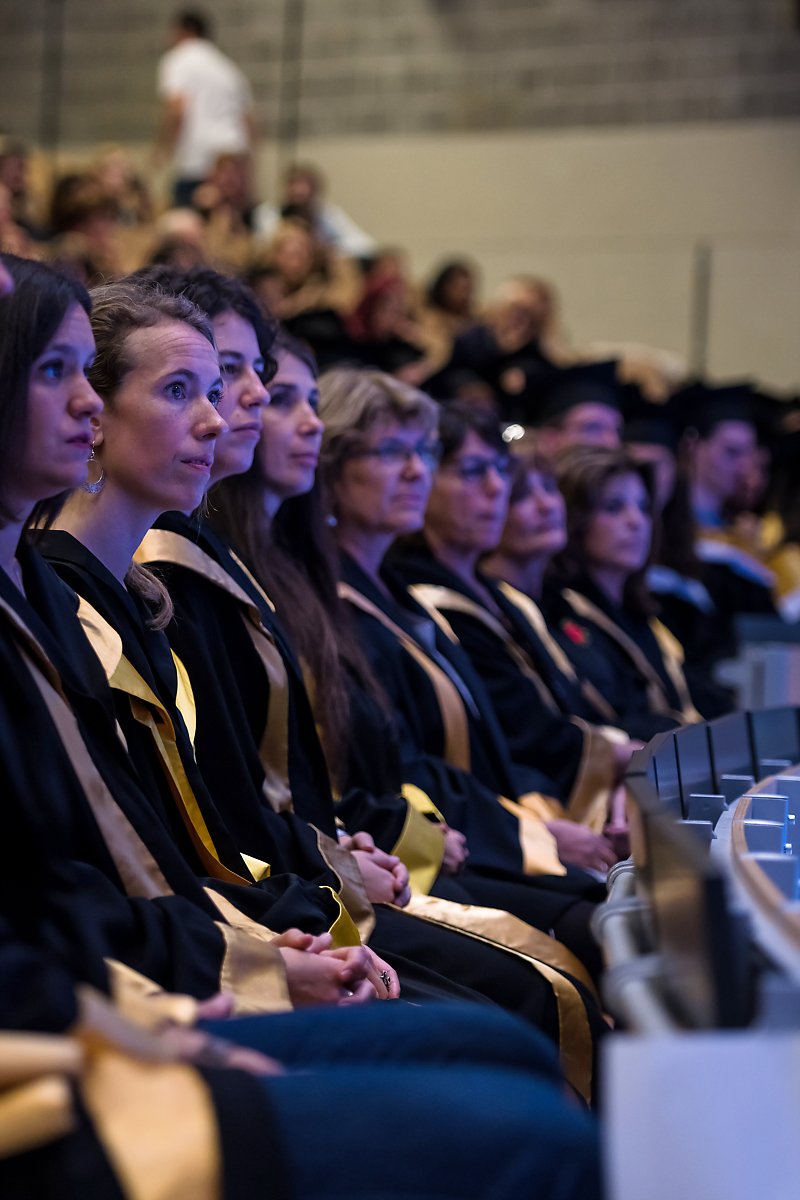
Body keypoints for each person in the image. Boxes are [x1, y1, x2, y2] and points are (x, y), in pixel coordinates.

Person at [390, 404, 632, 863]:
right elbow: (515, 738)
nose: (497, 487)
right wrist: (534, 829)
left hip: (521, 809)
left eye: (501, 471)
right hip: (475, 828)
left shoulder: (494, 596)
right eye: (473, 471)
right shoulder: (423, 600)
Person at [544, 445, 703, 742]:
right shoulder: (559, 616)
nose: (636, 521)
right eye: (614, 508)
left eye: (644, 507)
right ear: (576, 518)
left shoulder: (642, 617)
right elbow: (607, 725)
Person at [155, 10, 255, 208]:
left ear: (185, 31)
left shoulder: (178, 59)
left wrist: (162, 149)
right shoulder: (228, 67)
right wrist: (249, 167)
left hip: (199, 159)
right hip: (233, 157)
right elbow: (248, 119)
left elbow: (177, 108)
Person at [253, 161, 376, 259]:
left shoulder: (327, 215)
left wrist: (329, 249)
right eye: (294, 185)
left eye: (306, 187)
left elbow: (366, 245)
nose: (300, 192)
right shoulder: (267, 214)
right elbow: (264, 248)